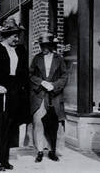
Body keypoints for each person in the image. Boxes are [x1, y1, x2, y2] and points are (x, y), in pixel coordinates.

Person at [0, 18, 30, 171]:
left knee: (10, 124)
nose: (16, 39)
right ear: (5, 35)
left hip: (14, 91)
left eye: (17, 35)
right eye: (13, 36)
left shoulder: (21, 50)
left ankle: (5, 158)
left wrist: (22, 89)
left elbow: (23, 72)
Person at [29, 32, 67, 163]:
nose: (43, 48)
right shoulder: (36, 58)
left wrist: (55, 85)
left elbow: (64, 76)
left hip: (54, 96)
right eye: (42, 46)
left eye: (46, 46)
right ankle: (39, 150)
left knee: (54, 124)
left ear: (51, 46)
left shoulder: (59, 59)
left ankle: (52, 150)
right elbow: (30, 75)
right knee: (38, 122)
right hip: (39, 96)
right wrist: (41, 82)